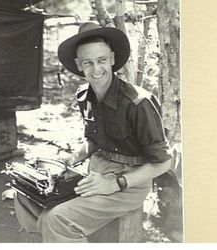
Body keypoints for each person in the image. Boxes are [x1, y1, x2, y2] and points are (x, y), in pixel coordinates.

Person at [14, 22, 173, 243]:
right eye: (88, 63)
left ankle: (58, 234)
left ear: (113, 59)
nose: (96, 70)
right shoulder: (84, 95)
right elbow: (94, 141)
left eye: (102, 60)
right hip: (95, 173)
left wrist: (116, 184)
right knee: (26, 194)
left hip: (129, 183)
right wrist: (68, 160)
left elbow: (163, 163)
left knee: (57, 219)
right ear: (79, 65)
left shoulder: (138, 103)